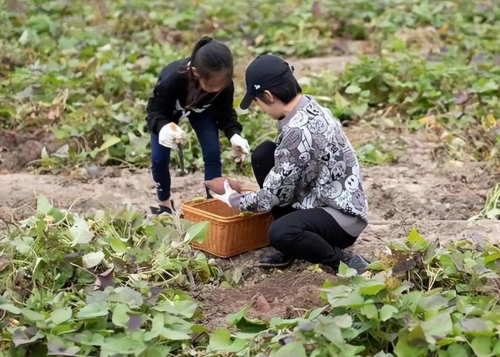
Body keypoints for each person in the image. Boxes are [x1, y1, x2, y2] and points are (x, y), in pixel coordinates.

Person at [212, 54, 369, 274]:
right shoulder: (306, 106)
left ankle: (343, 263)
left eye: (257, 102)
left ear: (268, 96)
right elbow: (285, 175)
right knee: (264, 153)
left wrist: (233, 199)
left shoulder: (298, 129)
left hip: (342, 218)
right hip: (323, 196)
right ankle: (294, 245)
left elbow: (270, 197)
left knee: (280, 232)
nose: (260, 108)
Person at [146, 37, 250, 215]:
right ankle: (164, 204)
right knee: (159, 158)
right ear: (195, 72)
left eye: (221, 86)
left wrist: (234, 134)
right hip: (168, 112)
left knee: (212, 153)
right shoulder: (173, 78)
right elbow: (154, 111)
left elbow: (225, 113)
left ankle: (213, 203)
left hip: (202, 111)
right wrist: (162, 127)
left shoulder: (224, 86)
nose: (216, 89)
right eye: (211, 86)